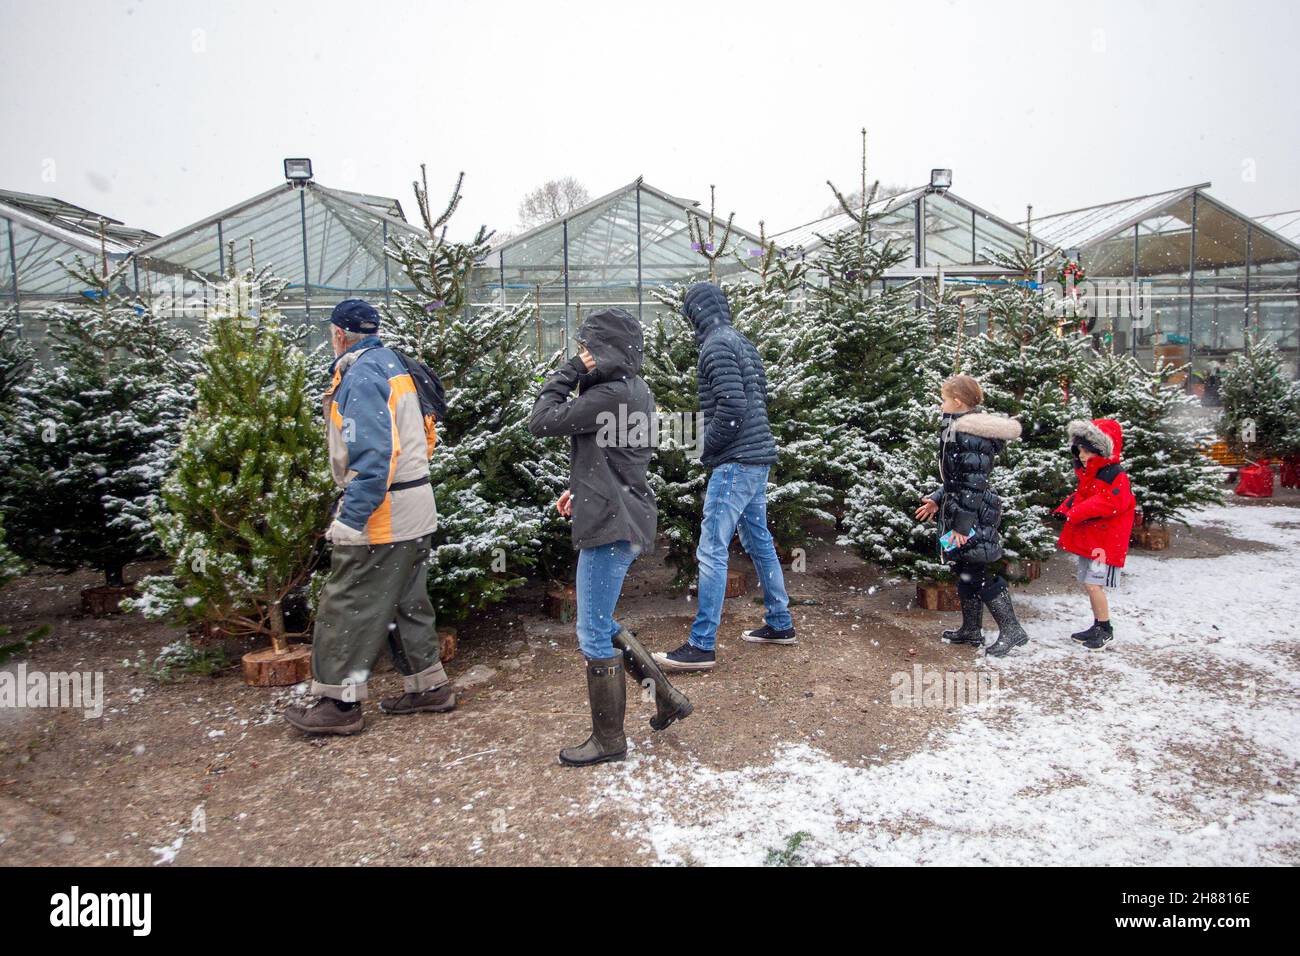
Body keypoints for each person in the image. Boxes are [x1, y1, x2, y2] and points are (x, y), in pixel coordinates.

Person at [529, 307, 692, 767]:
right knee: (600, 621)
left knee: (592, 631)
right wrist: (578, 489)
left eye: (587, 348)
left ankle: (609, 740)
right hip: (621, 514)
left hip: (613, 526)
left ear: (604, 350)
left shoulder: (609, 394)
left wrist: (568, 371)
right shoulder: (630, 389)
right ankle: (668, 698)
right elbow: (619, 456)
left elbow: (541, 420)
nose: (581, 355)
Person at [285, 299, 453, 736]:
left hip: (384, 513)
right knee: (405, 601)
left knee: (347, 602)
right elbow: (428, 433)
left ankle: (337, 705)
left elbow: (376, 456)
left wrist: (352, 516)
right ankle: (428, 687)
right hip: (417, 504)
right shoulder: (397, 365)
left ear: (338, 334)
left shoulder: (360, 375)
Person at [654, 282, 795, 674]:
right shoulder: (741, 342)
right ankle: (780, 623)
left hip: (736, 461)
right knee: (758, 540)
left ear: (695, 313)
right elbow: (755, 399)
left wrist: (705, 448)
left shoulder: (715, 346)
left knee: (712, 548)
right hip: (757, 457)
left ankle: (702, 645)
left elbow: (733, 406)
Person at [914, 374, 1027, 657]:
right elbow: (956, 479)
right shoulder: (957, 429)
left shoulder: (970, 435)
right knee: (964, 570)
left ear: (958, 401)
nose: (941, 404)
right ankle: (971, 629)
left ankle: (1012, 629)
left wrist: (963, 526)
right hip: (959, 510)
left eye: (944, 398)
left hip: (972, 515)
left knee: (978, 571)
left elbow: (972, 485)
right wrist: (938, 499)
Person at [1054, 418, 1136, 651]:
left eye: (1086, 451)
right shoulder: (1093, 474)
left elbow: (1112, 501)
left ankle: (1105, 628)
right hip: (1094, 541)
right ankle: (1098, 625)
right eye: (1079, 450)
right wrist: (1067, 507)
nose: (1081, 456)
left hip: (1104, 544)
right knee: (1090, 584)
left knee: (1094, 584)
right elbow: (1085, 496)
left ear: (1100, 450)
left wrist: (1077, 511)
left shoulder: (1113, 474)